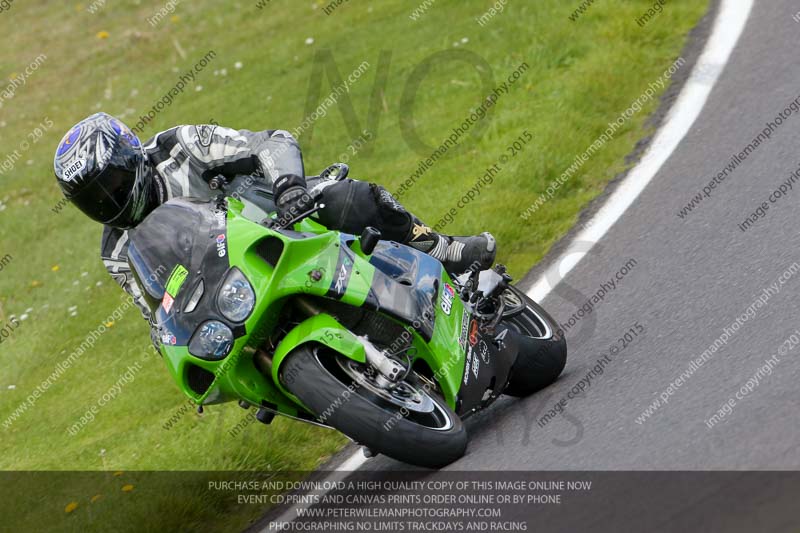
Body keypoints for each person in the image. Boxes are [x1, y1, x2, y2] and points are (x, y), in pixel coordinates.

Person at [53, 112, 496, 322]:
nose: (107, 201)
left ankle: (442, 248)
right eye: (92, 199)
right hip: (233, 289)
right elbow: (155, 311)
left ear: (131, 156)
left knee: (357, 201)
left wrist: (289, 187)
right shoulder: (115, 251)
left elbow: (270, 142)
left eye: (111, 182)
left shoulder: (180, 146)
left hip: (284, 218)